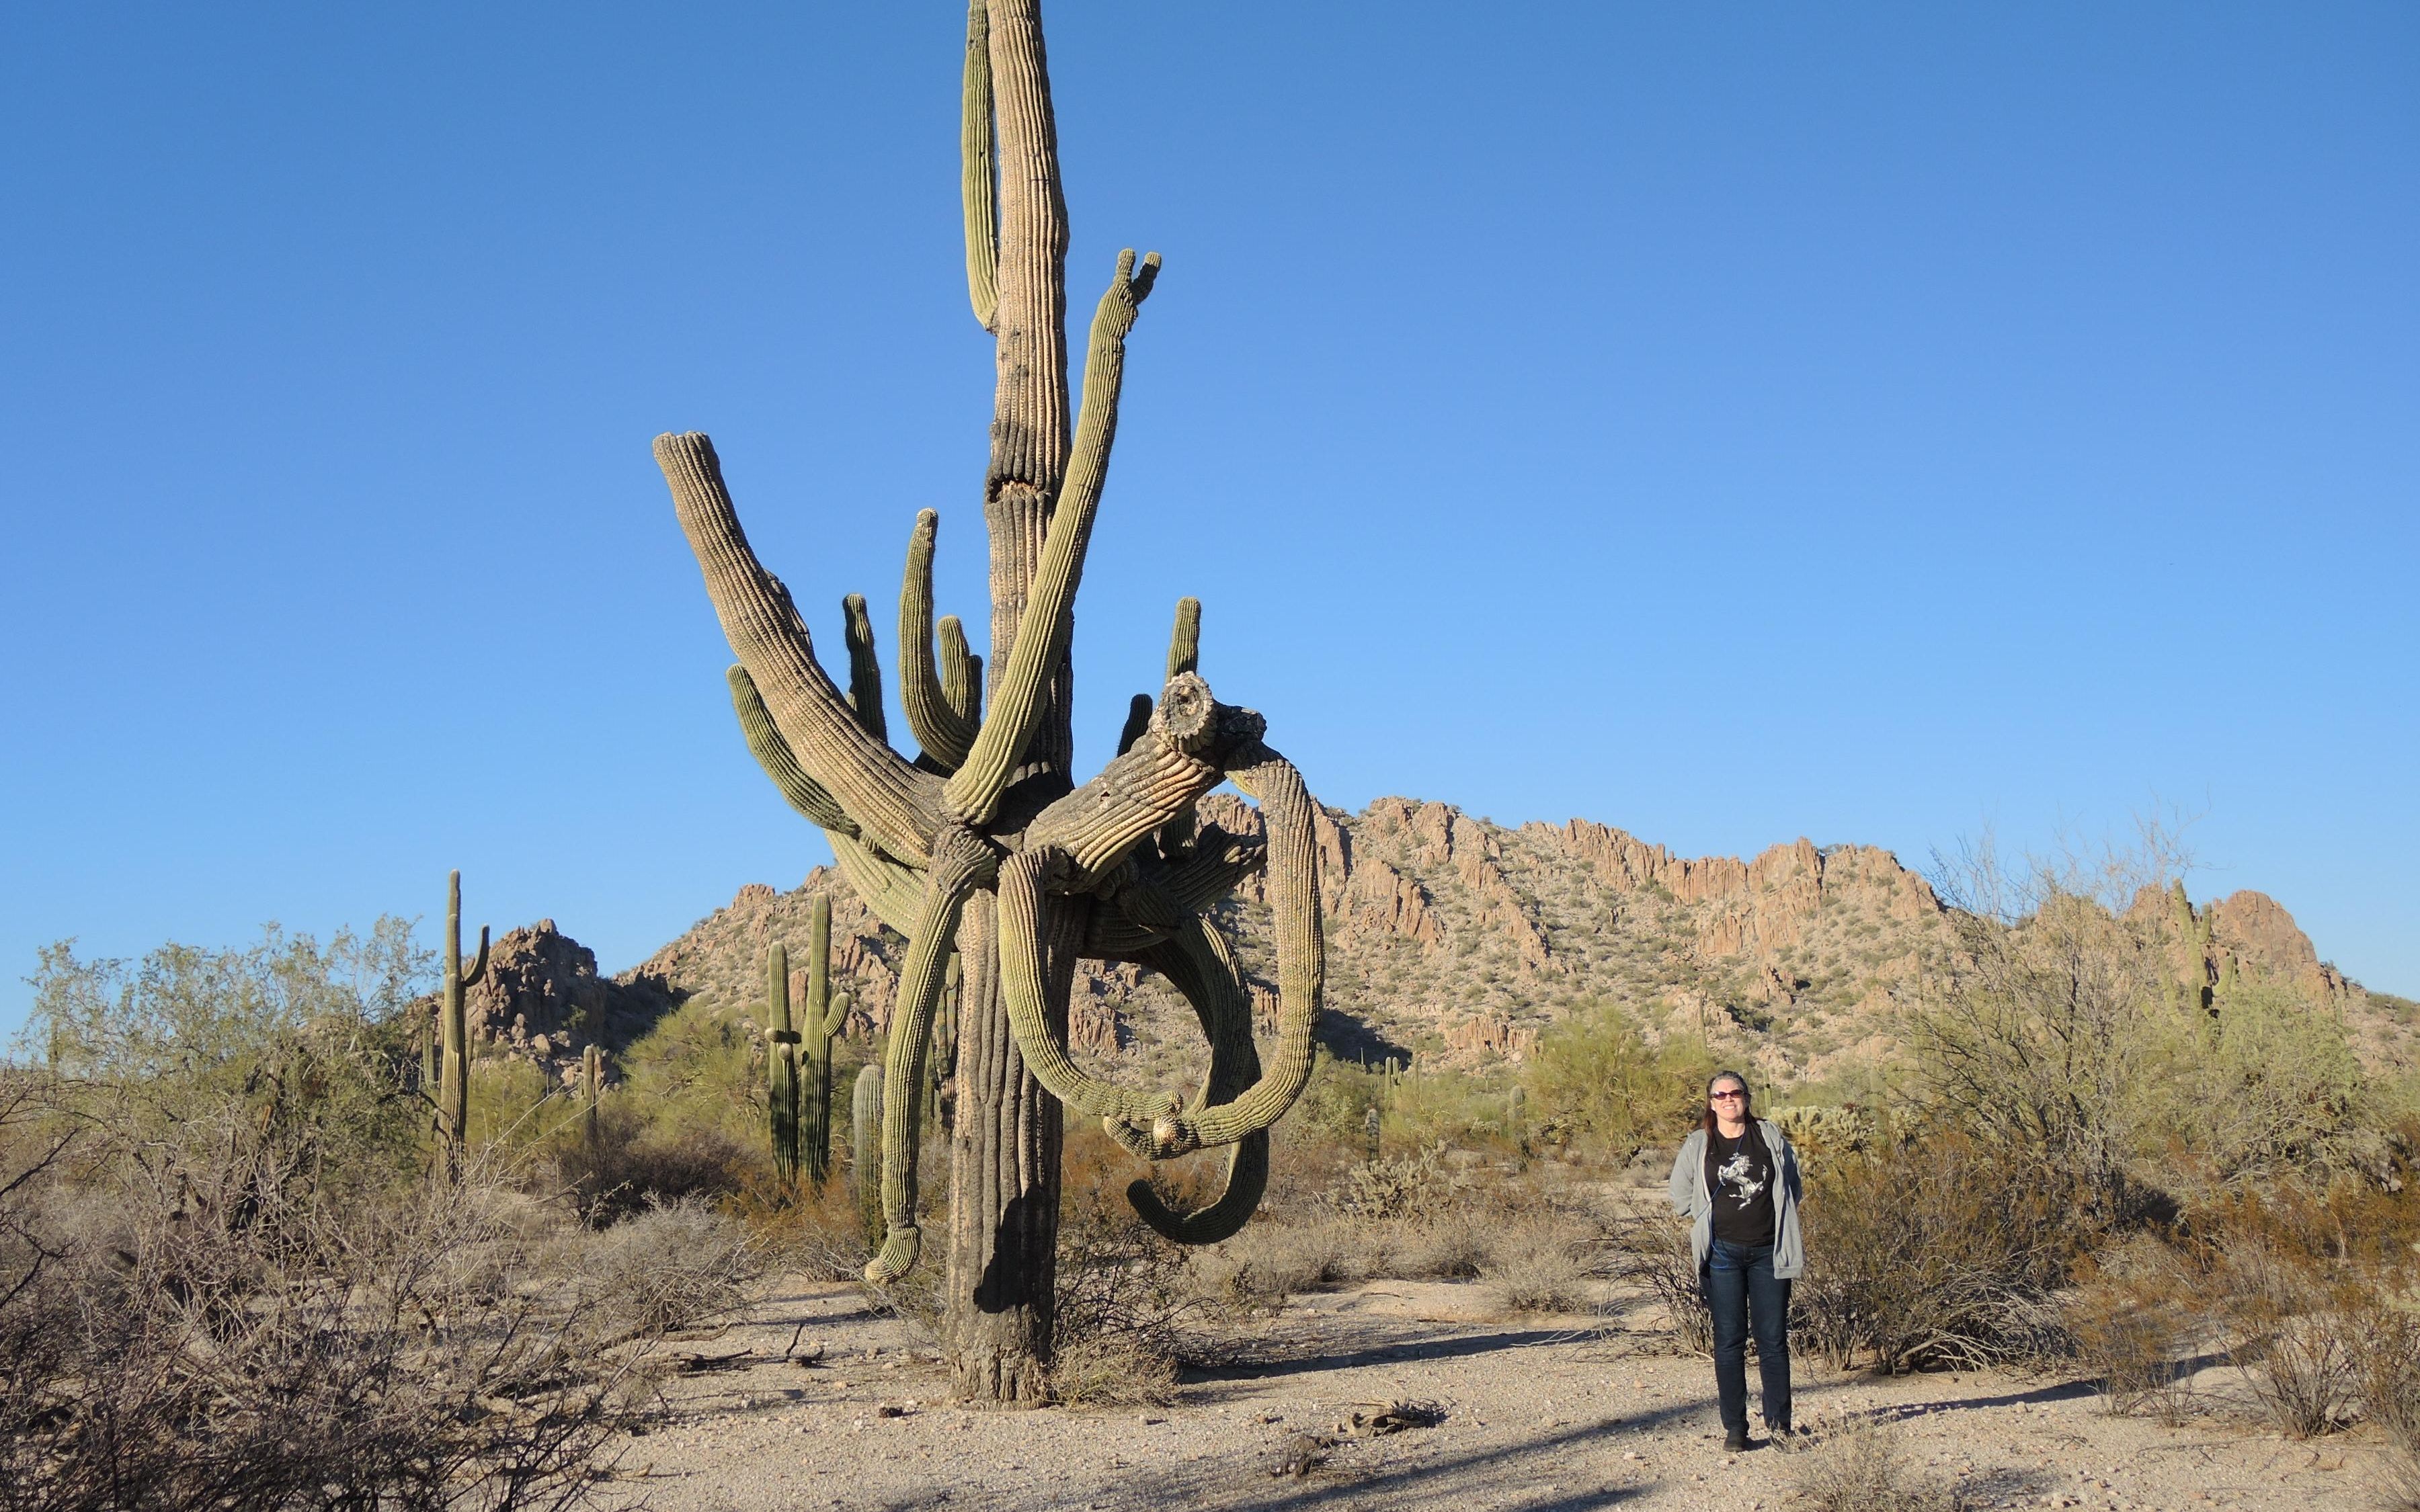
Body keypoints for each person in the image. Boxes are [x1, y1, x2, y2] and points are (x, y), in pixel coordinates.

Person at [1666, 1070, 1804, 1452]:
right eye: (1720, 1095)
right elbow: (1680, 1196)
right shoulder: (1699, 1143)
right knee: (1729, 1340)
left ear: (1747, 1097)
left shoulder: (1770, 1136)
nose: (1728, 1100)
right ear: (1711, 1103)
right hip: (1722, 1252)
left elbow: (1793, 1186)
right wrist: (1703, 1214)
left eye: (1735, 1093)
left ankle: (1780, 1427)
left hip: (1769, 1252)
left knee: (1773, 1340)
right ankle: (1736, 1428)